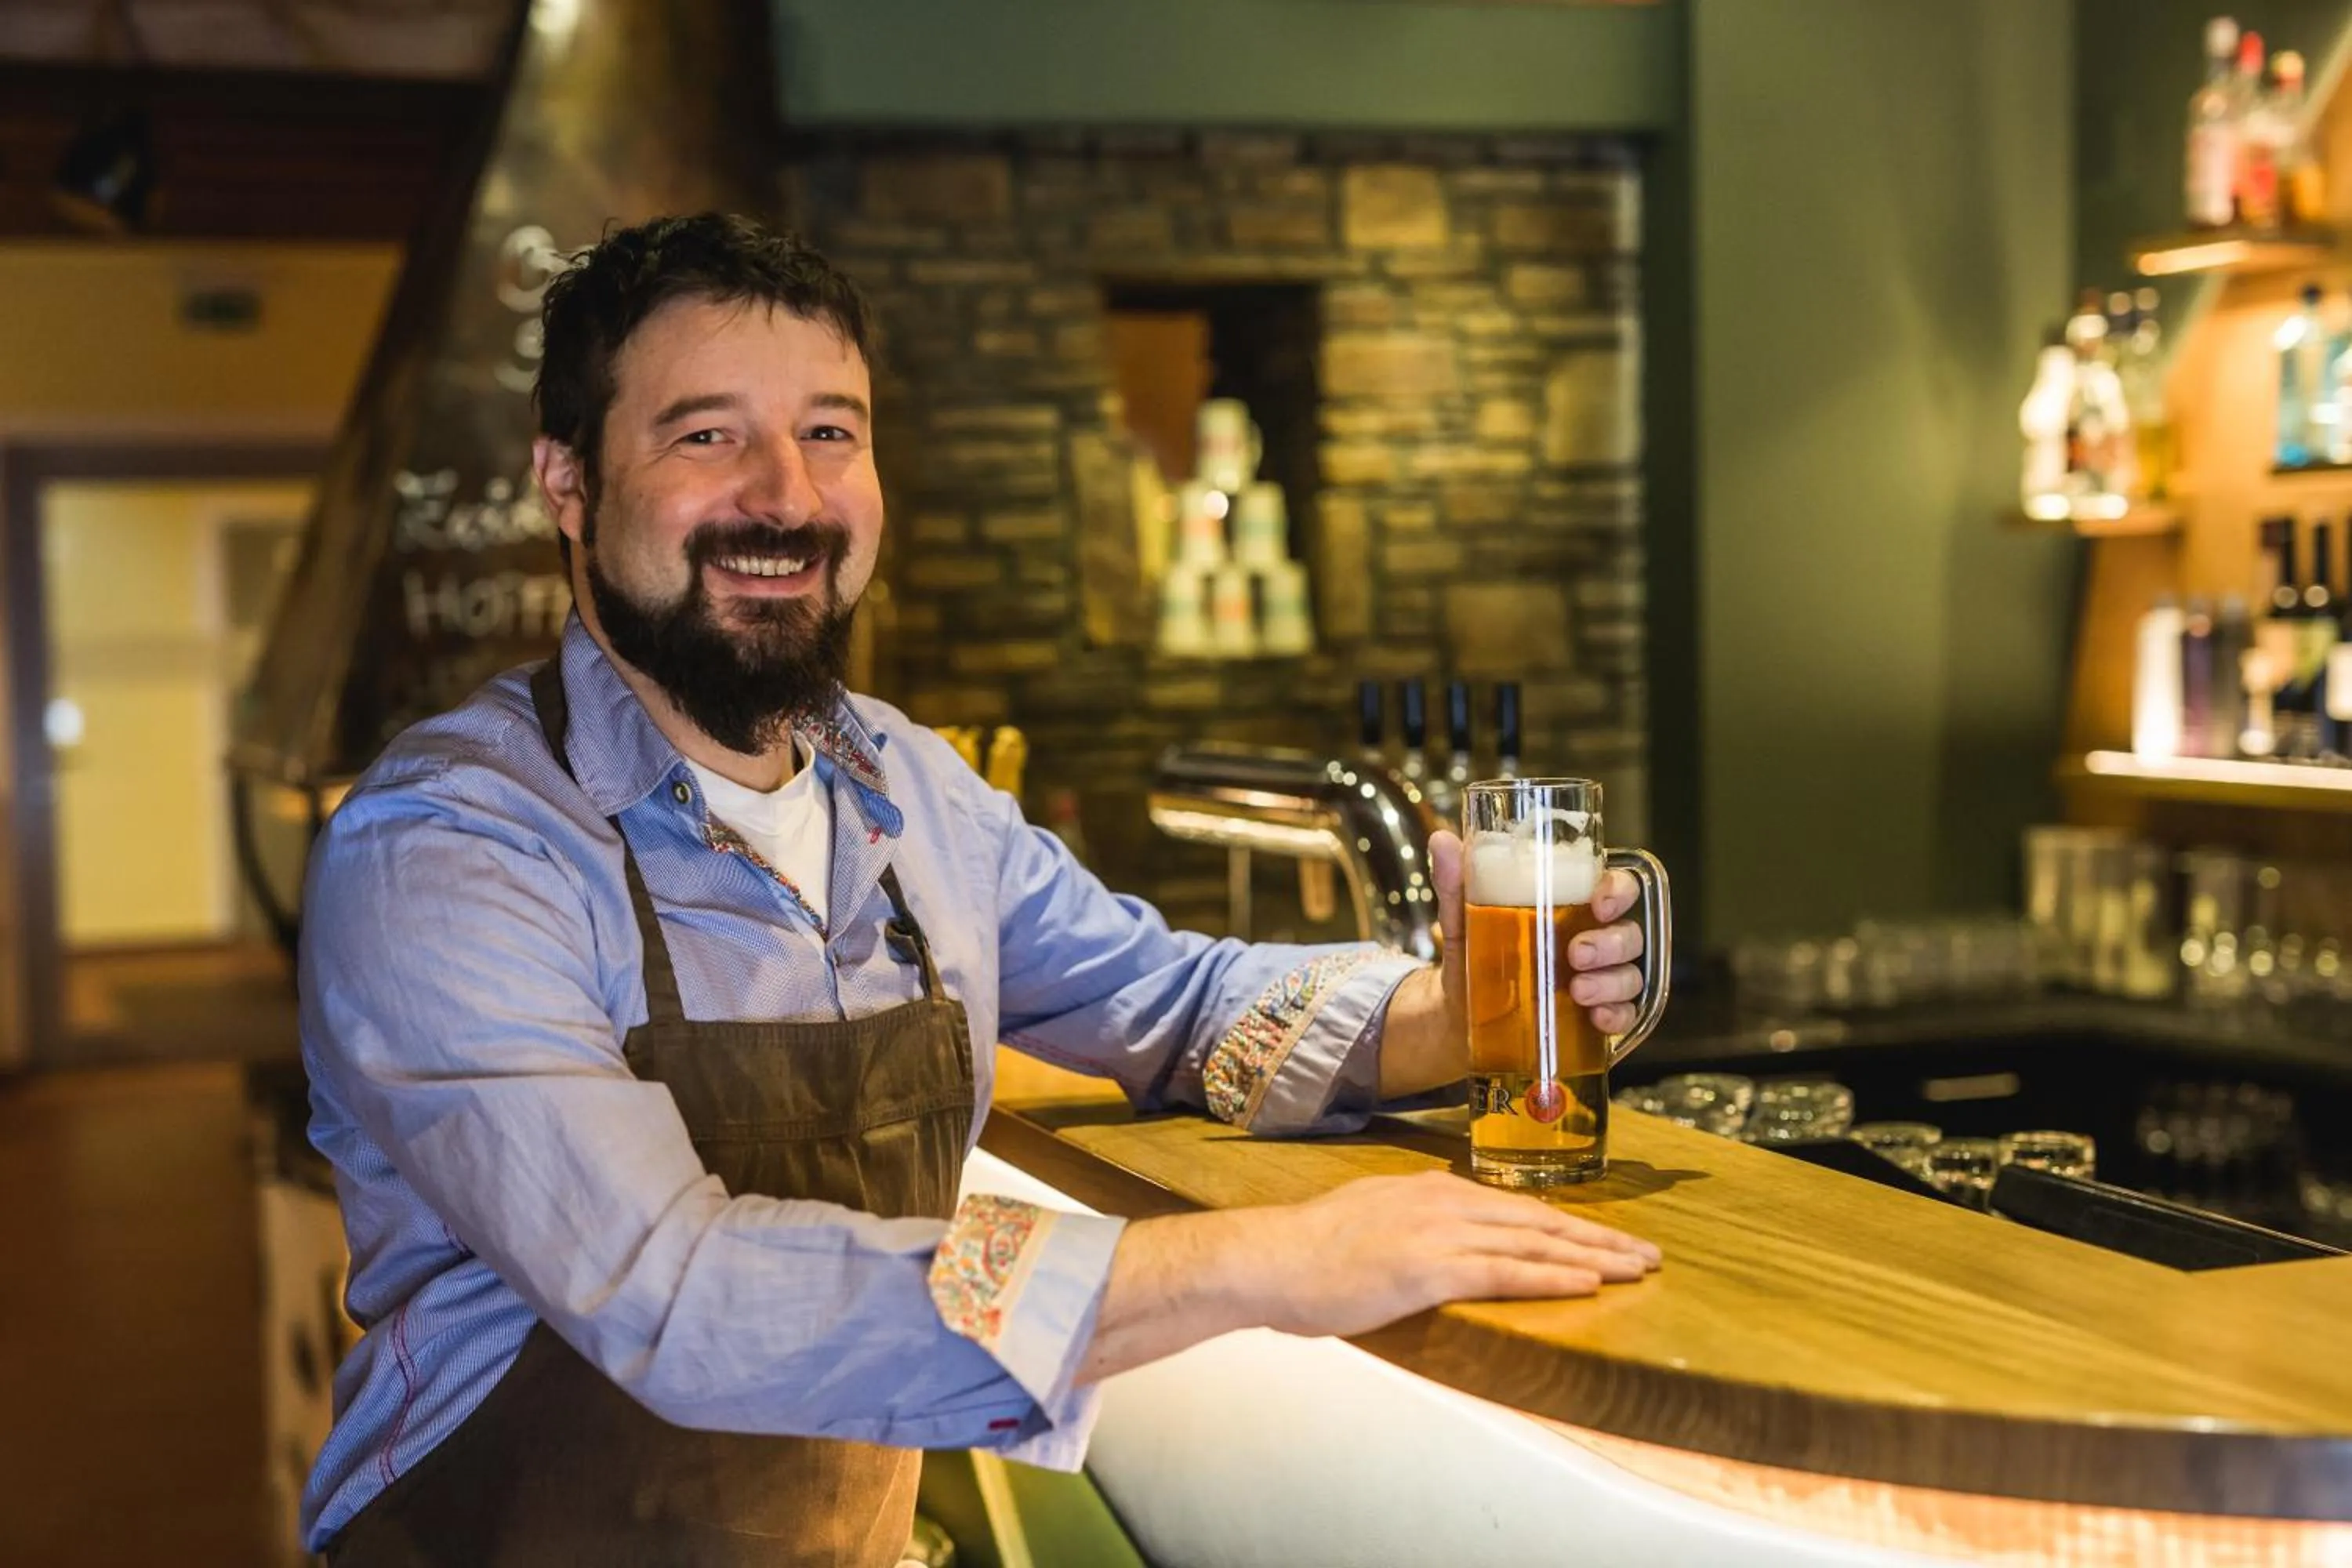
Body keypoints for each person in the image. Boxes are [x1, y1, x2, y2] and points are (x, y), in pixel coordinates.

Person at [299, 212, 1661, 1566]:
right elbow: (681, 1293)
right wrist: (1266, 1265)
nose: (785, 494)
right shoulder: (451, 847)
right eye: (706, 434)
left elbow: (1175, 1004)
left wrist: (1469, 1016)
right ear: (569, 480)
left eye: (830, 431)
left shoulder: (909, 791)